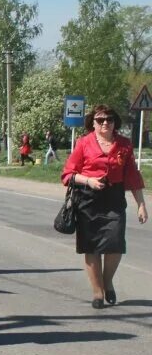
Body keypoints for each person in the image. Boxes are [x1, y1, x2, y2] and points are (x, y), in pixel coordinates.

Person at [61, 105, 147, 308]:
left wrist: (141, 204)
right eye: (100, 120)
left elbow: (132, 176)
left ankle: (107, 281)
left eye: (109, 119)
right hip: (88, 200)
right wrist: (88, 181)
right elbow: (67, 174)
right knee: (91, 247)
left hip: (114, 199)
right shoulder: (83, 143)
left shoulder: (124, 145)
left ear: (115, 122)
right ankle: (97, 292)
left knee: (115, 244)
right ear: (93, 123)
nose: (105, 123)